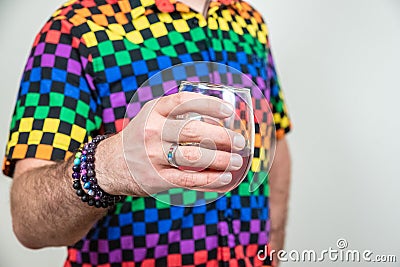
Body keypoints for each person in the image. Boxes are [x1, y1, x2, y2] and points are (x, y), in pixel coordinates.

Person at [3, 0, 291, 266]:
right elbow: (28, 222)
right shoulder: (78, 26)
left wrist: (272, 251)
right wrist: (106, 167)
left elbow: (274, 141)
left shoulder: (249, 22)